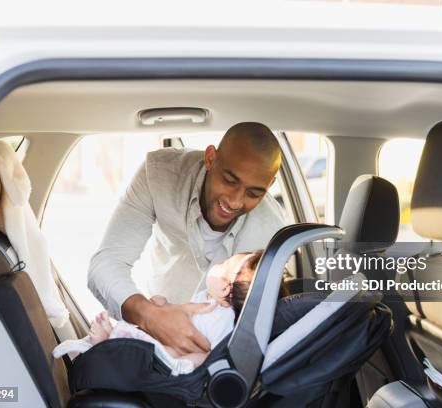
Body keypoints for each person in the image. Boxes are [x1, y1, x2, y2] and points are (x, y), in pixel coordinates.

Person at [87, 122, 287, 357]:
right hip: (154, 323)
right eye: (230, 181)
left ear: (270, 185)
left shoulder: (271, 231)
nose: (235, 201)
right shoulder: (159, 174)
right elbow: (106, 264)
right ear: (211, 158)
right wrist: (152, 316)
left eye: (253, 193)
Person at [59, 251, 289, 375]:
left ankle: (107, 344)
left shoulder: (224, 317)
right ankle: (110, 342)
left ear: (226, 287)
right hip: (172, 342)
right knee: (148, 338)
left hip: (184, 356)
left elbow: (214, 350)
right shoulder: (214, 303)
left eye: (225, 263)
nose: (218, 264)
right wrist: (165, 305)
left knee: (173, 354)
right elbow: (182, 316)